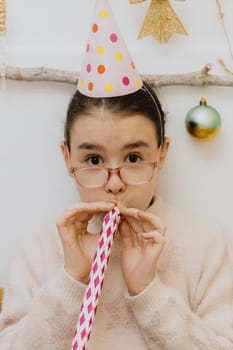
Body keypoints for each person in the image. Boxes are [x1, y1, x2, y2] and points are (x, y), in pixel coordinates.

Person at [0, 0, 233, 349]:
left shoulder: (204, 242)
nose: (114, 183)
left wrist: (148, 291)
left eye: (134, 157)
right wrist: (71, 279)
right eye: (93, 160)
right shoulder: (39, 248)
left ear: (162, 153)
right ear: (67, 157)